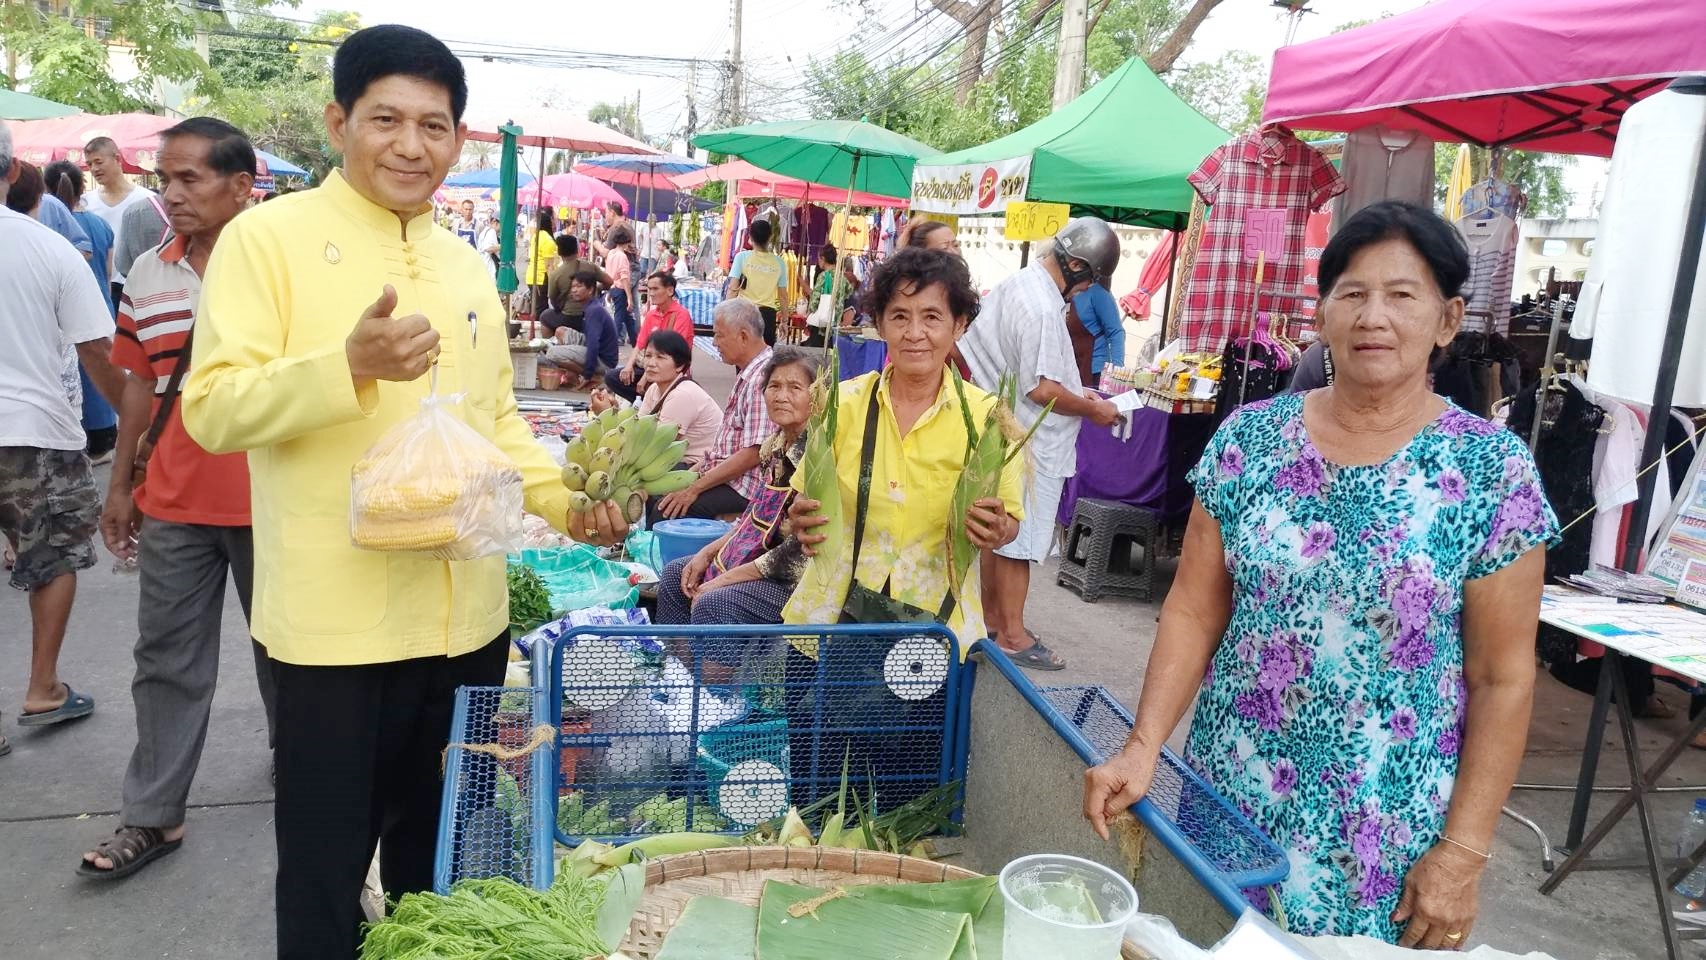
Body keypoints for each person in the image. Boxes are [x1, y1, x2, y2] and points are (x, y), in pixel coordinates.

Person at [176, 26, 625, 958]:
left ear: (458, 139)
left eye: (434, 125)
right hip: (334, 630)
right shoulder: (267, 240)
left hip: (466, 622)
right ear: (338, 122)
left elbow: (496, 423)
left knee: (442, 868)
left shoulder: (465, 264)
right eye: (386, 119)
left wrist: (566, 503)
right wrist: (344, 366)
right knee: (325, 872)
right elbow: (213, 408)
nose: (411, 145)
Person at [1083, 201, 1558, 946]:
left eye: (1402, 295)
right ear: (1322, 313)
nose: (1374, 317)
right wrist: (1144, 746)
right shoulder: (1249, 440)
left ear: (1447, 319)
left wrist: (1463, 853)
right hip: (1233, 792)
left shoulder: (1492, 471)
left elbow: (1502, 677)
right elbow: (1193, 610)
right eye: (1353, 293)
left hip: (1385, 829)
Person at [76, 117, 279, 881]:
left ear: (241, 185)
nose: (172, 193)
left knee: (288, 652)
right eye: (165, 179)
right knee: (164, 659)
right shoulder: (149, 273)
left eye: (190, 178)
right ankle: (153, 814)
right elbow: (140, 384)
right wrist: (121, 484)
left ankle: (300, 763)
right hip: (174, 500)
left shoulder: (282, 267)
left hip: (274, 499)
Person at [782, 248, 1022, 802]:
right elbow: (804, 500)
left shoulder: (989, 419)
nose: (915, 333)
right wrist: (800, 519)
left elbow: (1007, 520)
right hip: (828, 627)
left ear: (959, 325)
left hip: (932, 639)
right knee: (818, 799)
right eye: (900, 316)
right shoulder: (838, 404)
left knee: (906, 807)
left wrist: (997, 530)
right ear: (879, 323)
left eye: (932, 317)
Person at [0, 120, 128, 754]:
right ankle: (43, 687)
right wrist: (139, 435)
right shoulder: (49, 249)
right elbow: (98, 351)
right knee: (51, 558)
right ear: (11, 171)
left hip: (34, 427)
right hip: (34, 432)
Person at [958, 217, 1123, 671]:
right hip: (1031, 442)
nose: (1086, 291)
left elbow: (1017, 366)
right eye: (1088, 281)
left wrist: (1079, 391)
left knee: (996, 534)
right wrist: (1092, 409)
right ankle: (1013, 635)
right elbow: (1042, 390)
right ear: (1075, 266)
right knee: (1020, 541)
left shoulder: (1020, 284)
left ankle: (992, 623)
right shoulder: (1044, 310)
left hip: (1002, 432)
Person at [657, 347, 818, 679]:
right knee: (676, 574)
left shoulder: (819, 457)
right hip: (757, 558)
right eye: (774, 386)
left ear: (815, 397)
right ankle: (681, 681)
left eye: (795, 387)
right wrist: (706, 553)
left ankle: (714, 699)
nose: (782, 396)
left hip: (796, 579)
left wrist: (721, 581)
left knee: (715, 602)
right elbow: (753, 516)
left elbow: (794, 555)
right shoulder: (775, 447)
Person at [652, 299, 775, 522]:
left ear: (743, 336)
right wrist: (690, 476)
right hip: (727, 475)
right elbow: (724, 450)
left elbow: (754, 453)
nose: (715, 343)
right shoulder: (749, 371)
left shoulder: (761, 378)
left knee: (665, 510)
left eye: (719, 335)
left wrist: (694, 488)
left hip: (744, 486)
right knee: (659, 490)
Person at [45, 160, 121, 463]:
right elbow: (109, 270)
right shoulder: (100, 225)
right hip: (101, 304)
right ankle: (105, 439)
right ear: (81, 187)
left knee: (76, 374)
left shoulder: (48, 228)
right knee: (99, 370)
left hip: (66, 314)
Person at [83, 135, 160, 309]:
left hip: (137, 287)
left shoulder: (147, 201)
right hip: (98, 287)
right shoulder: (85, 203)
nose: (94, 169)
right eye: (89, 164)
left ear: (117, 159)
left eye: (99, 162)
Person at [632, 330, 723, 467]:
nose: (651, 363)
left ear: (680, 365)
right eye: (648, 355)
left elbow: (657, 444)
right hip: (674, 458)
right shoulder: (654, 388)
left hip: (698, 465)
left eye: (660, 357)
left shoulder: (683, 394)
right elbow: (638, 427)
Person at [603, 270, 695, 402]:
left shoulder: (681, 315)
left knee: (648, 384)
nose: (651, 293)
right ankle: (645, 402)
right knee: (612, 377)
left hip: (669, 368)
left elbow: (672, 354)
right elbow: (640, 344)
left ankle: (649, 402)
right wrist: (629, 366)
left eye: (655, 289)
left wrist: (645, 377)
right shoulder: (652, 315)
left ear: (670, 291)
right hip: (648, 365)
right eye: (649, 289)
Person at [542, 269, 620, 390]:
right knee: (560, 331)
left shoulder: (594, 311)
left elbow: (593, 344)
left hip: (604, 361)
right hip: (594, 348)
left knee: (552, 353)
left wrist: (588, 374)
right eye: (573, 287)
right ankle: (572, 375)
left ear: (590, 290)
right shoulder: (590, 306)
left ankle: (594, 377)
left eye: (579, 286)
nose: (574, 290)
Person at [727, 218, 788, 345]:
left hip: (745, 313)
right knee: (764, 354)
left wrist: (727, 315)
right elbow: (783, 296)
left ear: (750, 237)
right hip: (767, 317)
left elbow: (733, 289)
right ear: (770, 237)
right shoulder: (780, 263)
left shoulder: (741, 257)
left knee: (742, 353)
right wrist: (784, 321)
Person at [540, 233, 614, 336]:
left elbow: (553, 298)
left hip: (569, 317)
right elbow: (609, 281)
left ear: (559, 252)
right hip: (590, 313)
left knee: (544, 316)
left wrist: (560, 306)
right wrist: (597, 289)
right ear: (577, 250)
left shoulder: (555, 274)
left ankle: (550, 343)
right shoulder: (590, 266)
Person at [1071, 276, 1125, 386]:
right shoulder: (1064, 293)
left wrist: (1115, 372)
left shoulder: (1098, 292)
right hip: (1072, 368)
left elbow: (1116, 333)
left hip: (1096, 370)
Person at [604, 225, 637, 345]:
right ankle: (611, 342)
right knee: (620, 317)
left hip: (612, 287)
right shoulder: (622, 256)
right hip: (620, 289)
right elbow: (624, 278)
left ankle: (635, 341)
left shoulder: (611, 253)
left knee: (627, 316)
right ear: (626, 242)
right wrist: (629, 297)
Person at [525, 208, 555, 317]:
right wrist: (553, 284)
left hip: (532, 276)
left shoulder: (536, 236)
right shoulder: (547, 240)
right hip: (540, 278)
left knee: (538, 307)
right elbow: (549, 266)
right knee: (541, 309)